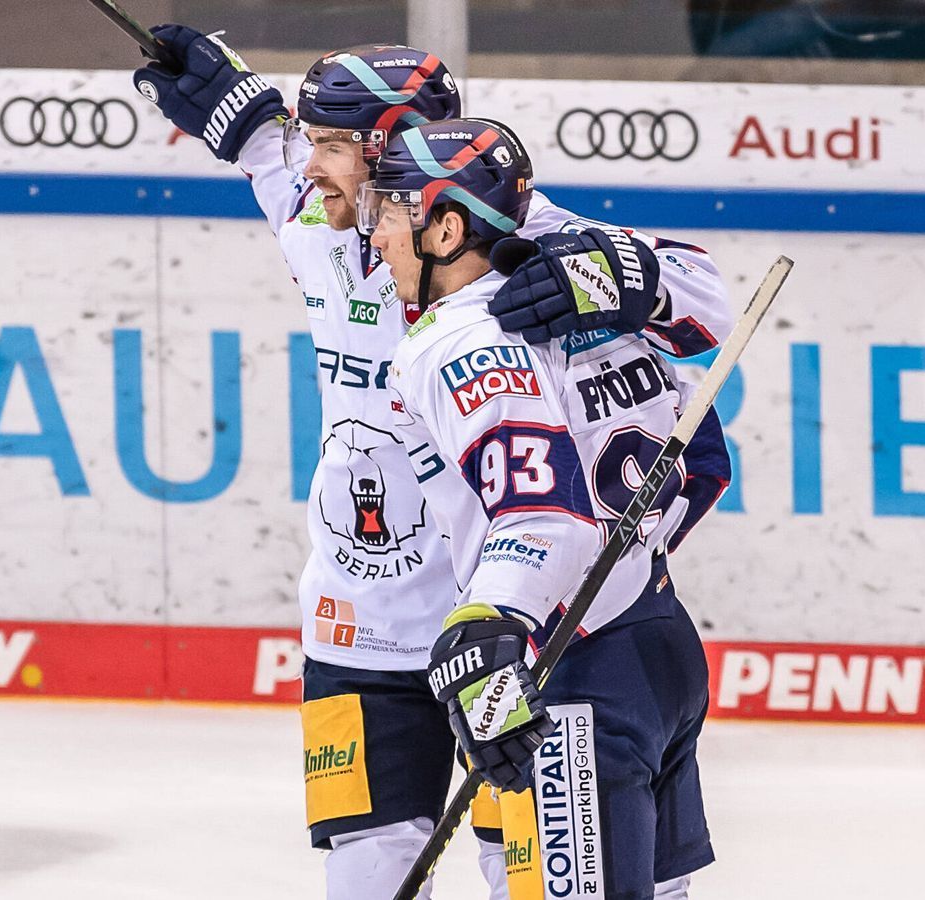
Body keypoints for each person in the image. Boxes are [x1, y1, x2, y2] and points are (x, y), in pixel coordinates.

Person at [132, 31, 733, 899]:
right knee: (368, 866)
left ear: (398, 162)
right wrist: (242, 114)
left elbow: (698, 303)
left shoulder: (499, 241)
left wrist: (616, 277)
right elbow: (276, 161)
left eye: (331, 146)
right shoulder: (327, 215)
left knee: (530, 870)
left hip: (506, 616)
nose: (309, 170)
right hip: (363, 614)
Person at [368, 118, 731, 899]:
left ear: (447, 225)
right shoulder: (585, 301)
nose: (378, 238)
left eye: (391, 212)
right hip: (658, 637)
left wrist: (488, 630)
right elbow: (703, 456)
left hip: (573, 673)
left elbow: (545, 515)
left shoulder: (460, 337)